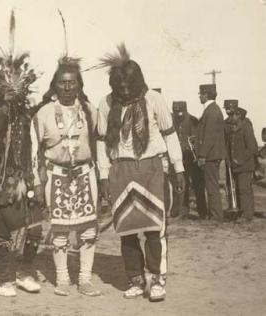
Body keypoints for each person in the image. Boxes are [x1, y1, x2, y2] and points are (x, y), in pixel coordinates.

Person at [97, 44, 184, 302]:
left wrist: (178, 168)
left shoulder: (154, 99)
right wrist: (103, 175)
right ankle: (135, 279)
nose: (124, 92)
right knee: (126, 229)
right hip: (120, 170)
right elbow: (101, 141)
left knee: (154, 227)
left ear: (138, 82)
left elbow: (170, 135)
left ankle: (157, 278)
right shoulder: (106, 103)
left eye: (128, 87)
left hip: (151, 168)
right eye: (119, 88)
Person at [31, 57, 102, 297]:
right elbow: (34, 150)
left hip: (85, 174)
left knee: (88, 230)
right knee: (59, 231)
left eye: (72, 82)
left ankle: (84, 279)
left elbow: (99, 143)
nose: (68, 87)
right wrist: (37, 182)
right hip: (56, 176)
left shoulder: (90, 111)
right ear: (55, 84)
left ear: (80, 84)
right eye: (63, 82)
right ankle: (62, 278)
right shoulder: (44, 113)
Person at [0, 48, 43, 296]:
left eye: (19, 85)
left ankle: (23, 271)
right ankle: (5, 277)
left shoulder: (29, 114)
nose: (14, 91)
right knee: (5, 228)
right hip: (1, 177)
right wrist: (2, 108)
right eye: (8, 85)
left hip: (27, 175)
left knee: (35, 227)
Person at [171, 101, 206, 219]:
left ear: (185, 110)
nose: (178, 115)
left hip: (192, 157)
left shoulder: (192, 120)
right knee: (181, 184)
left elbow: (195, 140)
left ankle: (203, 212)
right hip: (180, 157)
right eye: (175, 112)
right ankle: (182, 210)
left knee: (197, 184)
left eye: (180, 112)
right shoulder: (173, 120)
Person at [196, 84, 226, 222]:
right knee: (211, 185)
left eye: (201, 94)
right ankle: (215, 215)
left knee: (211, 186)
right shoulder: (212, 110)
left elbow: (209, 136)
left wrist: (202, 155)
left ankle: (216, 217)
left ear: (206, 94)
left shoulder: (212, 111)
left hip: (210, 156)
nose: (199, 96)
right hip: (212, 155)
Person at [228, 107, 258, 222]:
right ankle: (243, 212)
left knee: (244, 189)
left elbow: (252, 148)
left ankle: (247, 215)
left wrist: (238, 160)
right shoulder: (234, 128)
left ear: (239, 115)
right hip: (237, 166)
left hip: (245, 165)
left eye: (233, 115)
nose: (231, 117)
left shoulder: (246, 128)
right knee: (240, 189)